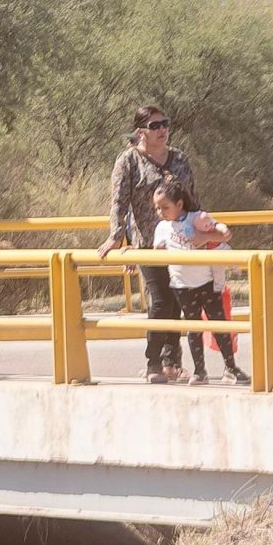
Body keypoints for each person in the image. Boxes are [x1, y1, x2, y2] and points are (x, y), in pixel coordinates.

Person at [96, 105, 197, 383]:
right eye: (155, 126)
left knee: (177, 300)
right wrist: (117, 236)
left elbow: (191, 198)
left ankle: (171, 363)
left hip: (180, 241)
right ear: (141, 131)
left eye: (165, 123)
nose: (162, 130)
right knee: (161, 300)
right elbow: (119, 202)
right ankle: (153, 361)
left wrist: (201, 228)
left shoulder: (179, 158)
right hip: (148, 243)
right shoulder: (129, 160)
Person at [150, 178, 244, 385]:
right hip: (181, 285)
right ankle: (199, 371)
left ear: (180, 204)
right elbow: (158, 251)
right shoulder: (162, 228)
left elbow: (222, 234)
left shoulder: (196, 219)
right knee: (193, 326)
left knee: (219, 323)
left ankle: (230, 367)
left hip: (207, 282)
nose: (160, 212)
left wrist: (210, 234)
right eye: (157, 208)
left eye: (165, 207)